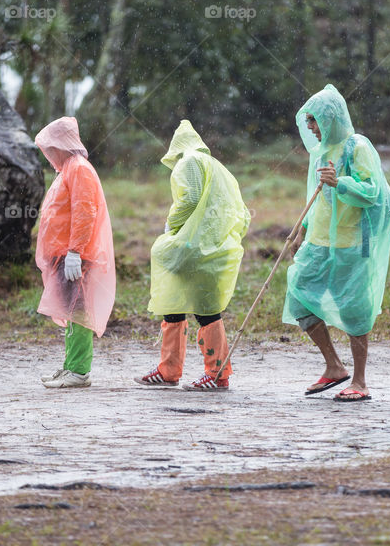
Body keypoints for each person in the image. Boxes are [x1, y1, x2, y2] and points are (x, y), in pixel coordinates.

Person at [284, 84, 390, 402]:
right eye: (308, 122)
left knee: (354, 311)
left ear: (329, 118)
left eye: (314, 121)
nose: (310, 128)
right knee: (299, 299)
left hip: (352, 243)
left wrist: (342, 182)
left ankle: (360, 381)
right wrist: (301, 229)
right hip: (319, 242)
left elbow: (371, 192)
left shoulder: (356, 147)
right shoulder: (319, 153)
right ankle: (334, 366)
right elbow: (314, 195)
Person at [135, 120, 250, 391]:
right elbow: (241, 212)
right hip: (212, 246)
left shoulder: (188, 162)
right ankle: (169, 370)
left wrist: (172, 225)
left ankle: (216, 374)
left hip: (194, 247)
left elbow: (189, 198)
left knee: (204, 309)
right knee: (176, 302)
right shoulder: (219, 168)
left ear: (176, 151)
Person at [34, 117, 116, 388]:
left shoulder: (79, 168)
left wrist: (75, 252)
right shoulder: (69, 169)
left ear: (61, 145)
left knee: (78, 312)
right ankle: (71, 366)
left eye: (50, 148)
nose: (48, 155)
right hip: (66, 255)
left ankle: (79, 371)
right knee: (71, 312)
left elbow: (84, 211)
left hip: (75, 257)